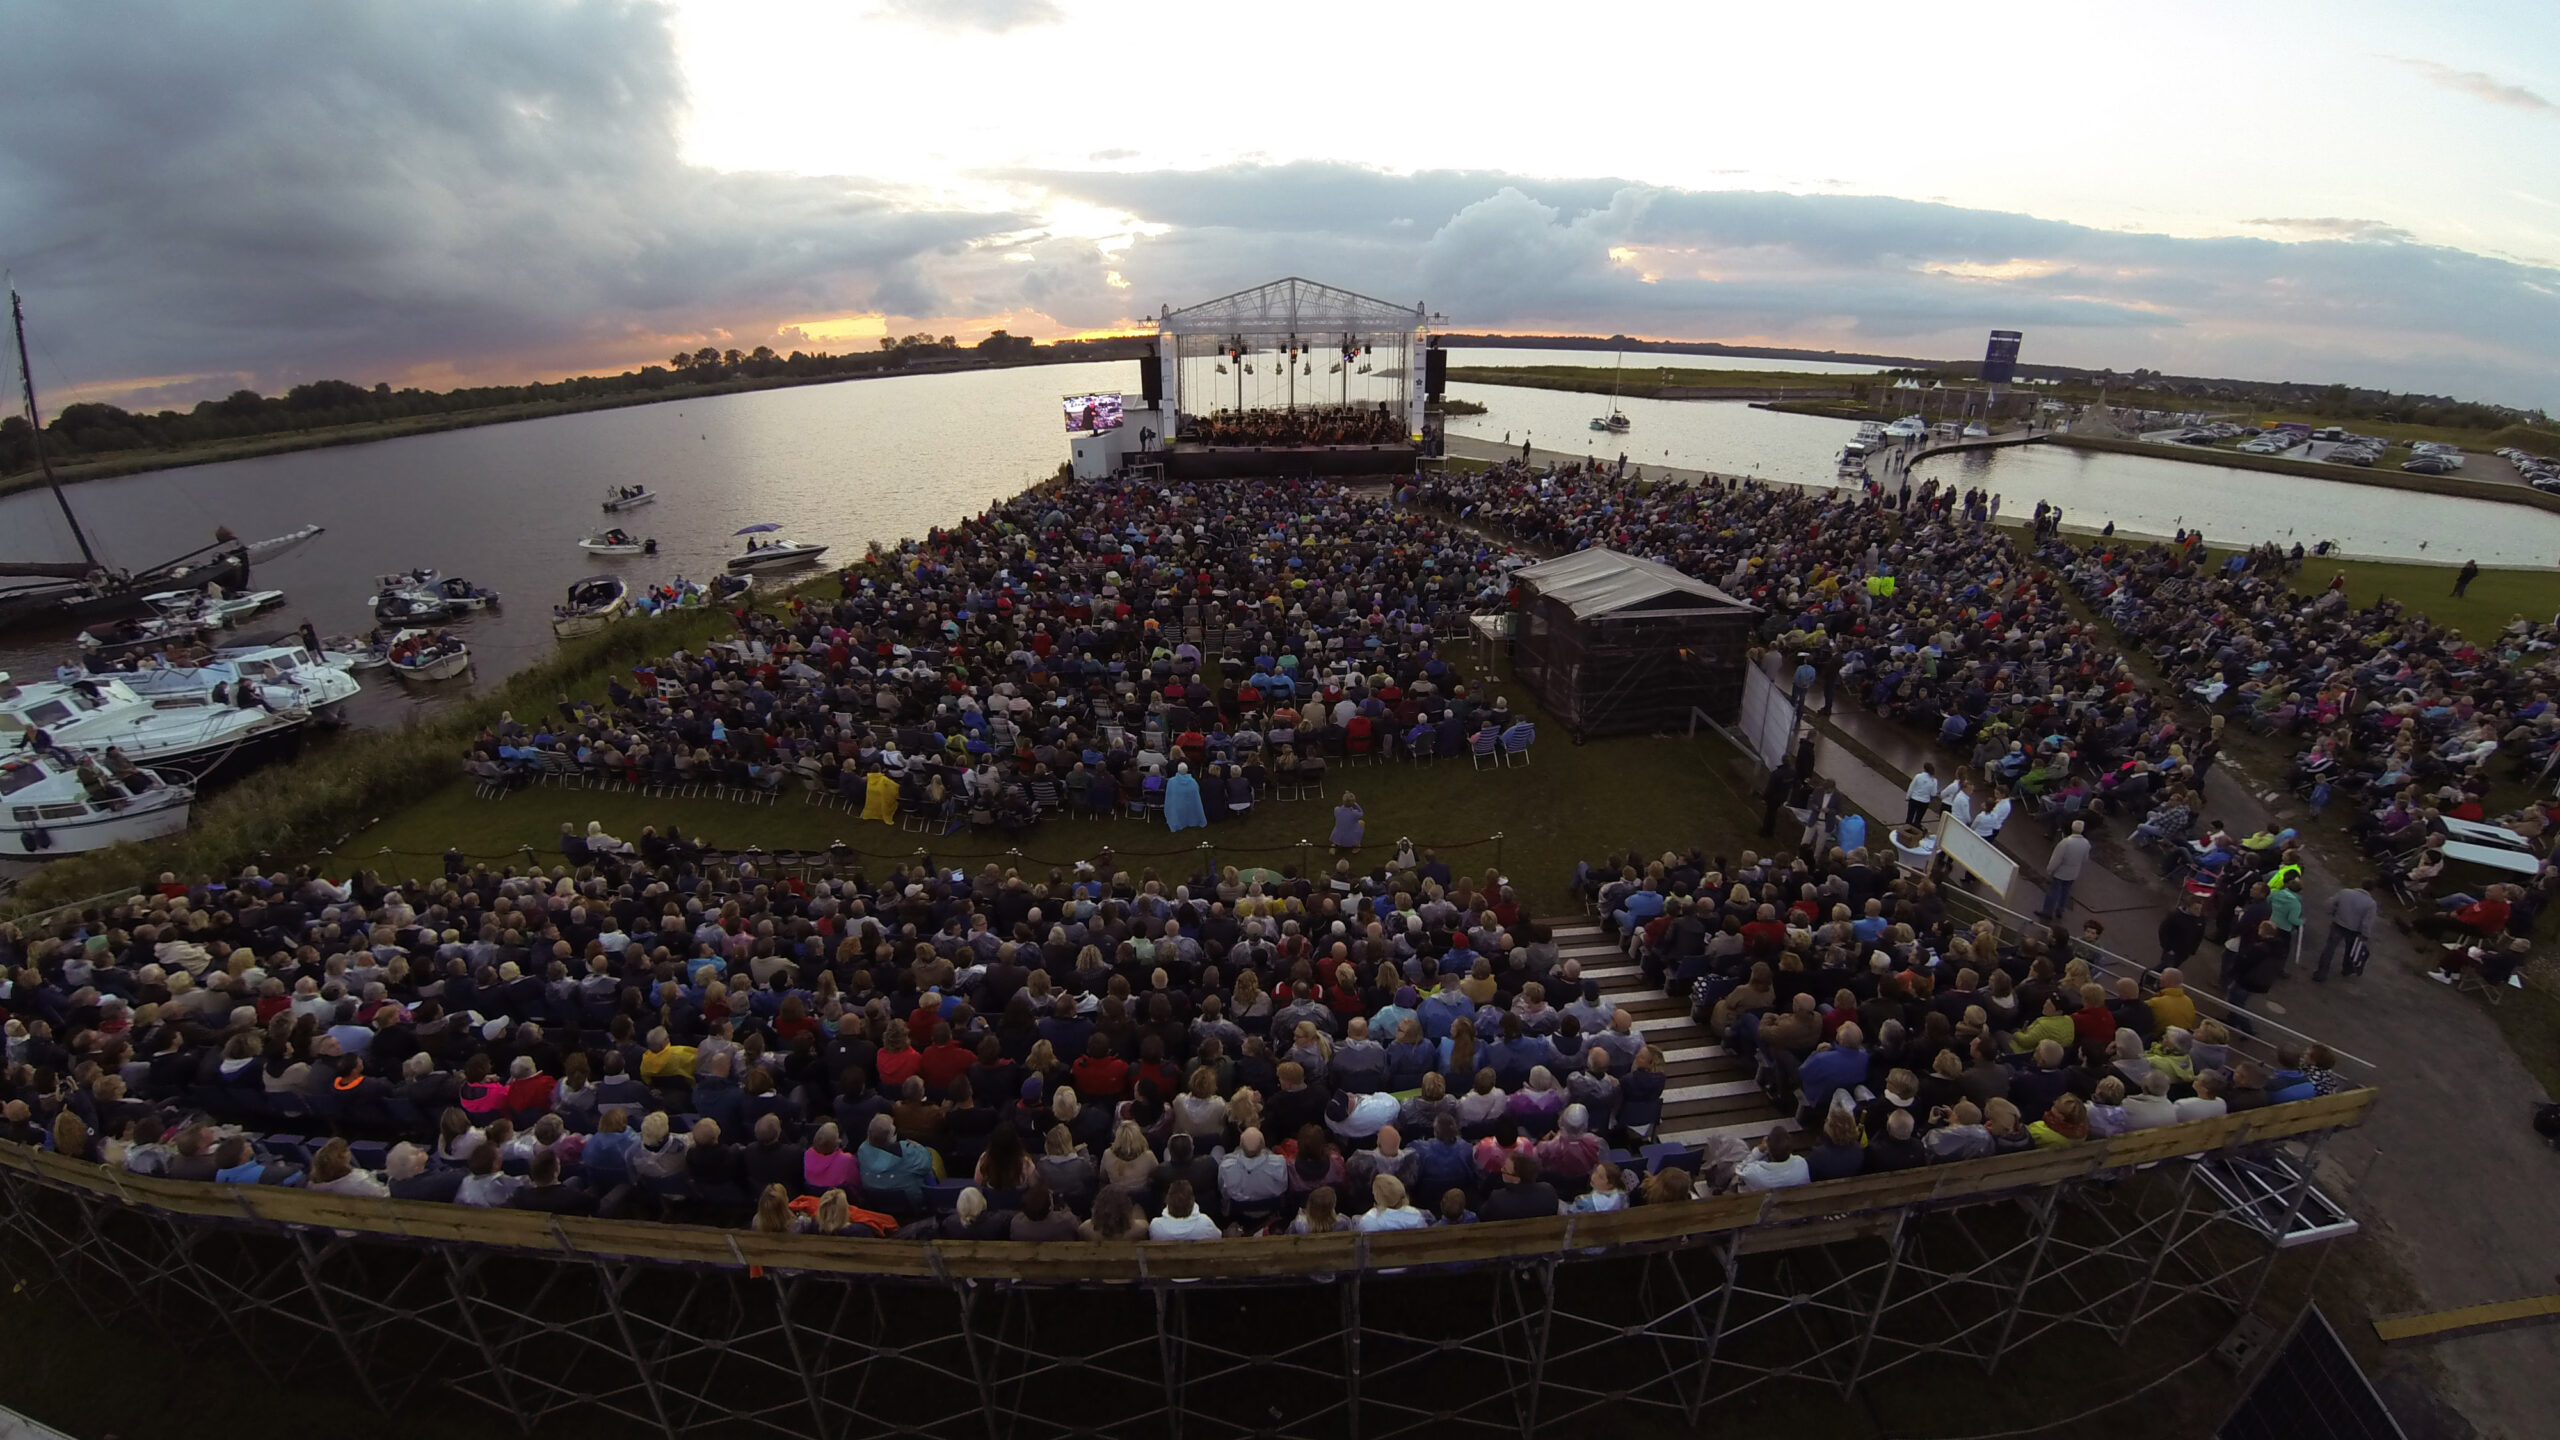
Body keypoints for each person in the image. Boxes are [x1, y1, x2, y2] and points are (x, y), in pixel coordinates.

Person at [2040, 820, 2090, 921]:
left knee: (2053, 892)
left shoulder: (2065, 843)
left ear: (2072, 828)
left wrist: (2049, 870)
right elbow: (2085, 859)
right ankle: (2060, 910)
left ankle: (2047, 912)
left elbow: (2056, 859)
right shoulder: (2086, 843)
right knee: (2065, 892)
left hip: (2060, 872)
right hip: (2073, 873)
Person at [1163, 764, 1207, 832]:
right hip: (1190, 807)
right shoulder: (1193, 782)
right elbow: (1197, 795)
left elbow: (1169, 796)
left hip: (1177, 808)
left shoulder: (1171, 782)